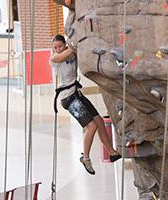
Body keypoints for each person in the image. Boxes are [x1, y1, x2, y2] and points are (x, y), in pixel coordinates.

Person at [50, 34, 121, 175]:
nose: (57, 49)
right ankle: (85, 157)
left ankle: (112, 152)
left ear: (64, 44)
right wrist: (74, 44)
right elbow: (63, 55)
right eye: (55, 47)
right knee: (91, 126)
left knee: (99, 121)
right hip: (68, 98)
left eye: (59, 46)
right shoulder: (54, 59)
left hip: (77, 94)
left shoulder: (72, 53)